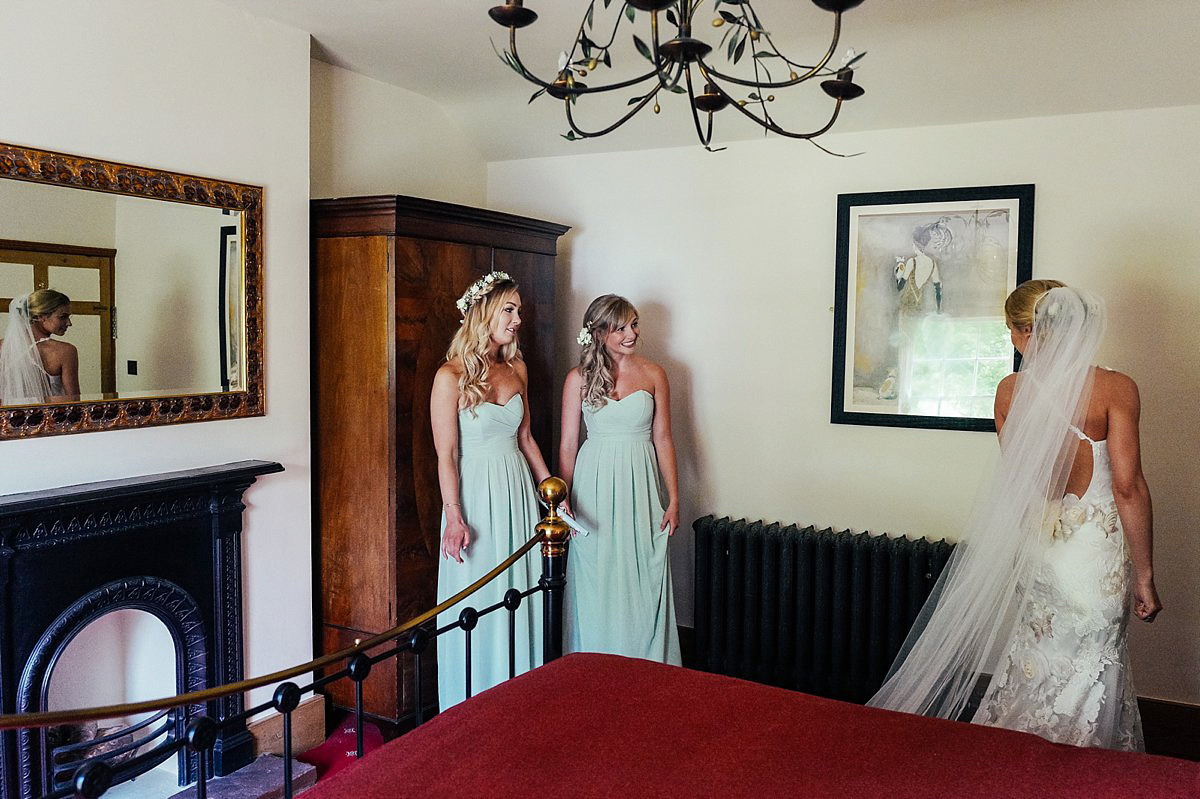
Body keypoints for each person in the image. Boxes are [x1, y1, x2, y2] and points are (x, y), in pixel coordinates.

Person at [867, 280, 1160, 751]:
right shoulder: (1115, 389)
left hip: (1042, 551)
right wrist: (1144, 575)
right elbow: (1128, 488)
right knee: (1093, 664)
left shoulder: (1008, 392)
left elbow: (1030, 486)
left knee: (1036, 657)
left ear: (1023, 331)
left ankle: (1019, 762)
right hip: (1095, 560)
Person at [432, 271, 551, 710]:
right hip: (476, 494)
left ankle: (521, 696)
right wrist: (454, 516)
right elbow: (445, 454)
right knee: (481, 593)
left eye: (518, 310)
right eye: (510, 309)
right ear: (484, 313)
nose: (518, 319)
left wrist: (552, 495)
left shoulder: (517, 368)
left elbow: (526, 438)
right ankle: (474, 700)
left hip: (517, 489)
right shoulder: (450, 376)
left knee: (519, 587)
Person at [559, 295, 681, 665]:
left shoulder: (655, 373)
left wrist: (674, 499)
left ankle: (643, 664)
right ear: (598, 332)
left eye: (634, 324)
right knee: (597, 572)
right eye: (622, 327)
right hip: (593, 484)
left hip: (640, 484)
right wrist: (562, 499)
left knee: (642, 573)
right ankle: (593, 661)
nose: (632, 333)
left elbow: (663, 438)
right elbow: (568, 442)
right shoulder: (578, 378)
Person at [0, 289, 79, 405]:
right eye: (62, 317)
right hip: (50, 420)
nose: (69, 323)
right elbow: (73, 401)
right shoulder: (65, 351)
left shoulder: (3, 347)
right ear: (41, 316)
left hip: (8, 420)